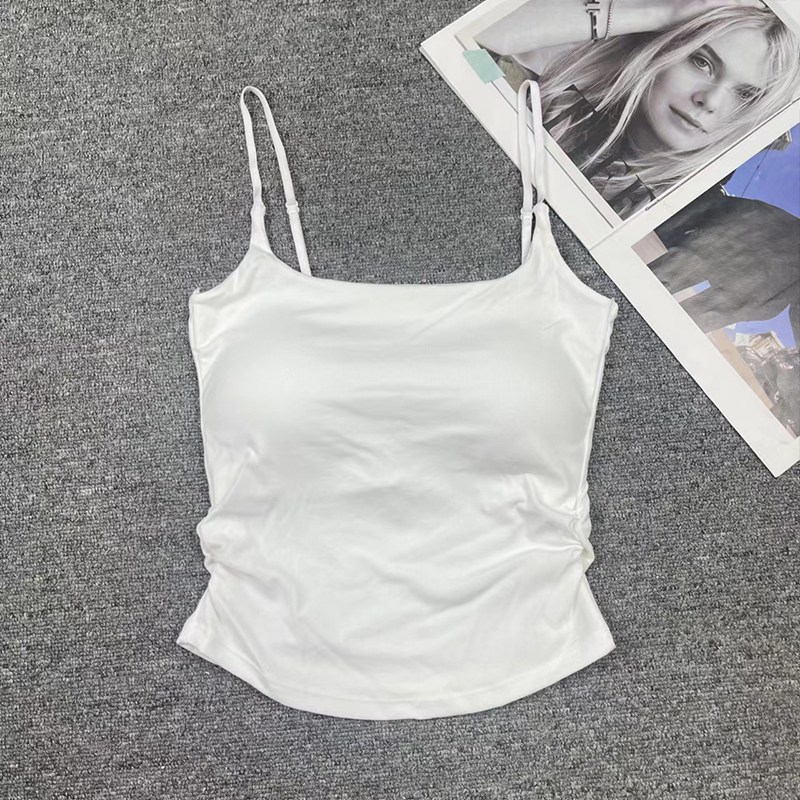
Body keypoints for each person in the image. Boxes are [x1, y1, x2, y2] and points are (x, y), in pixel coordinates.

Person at [476, 0, 800, 217]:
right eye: (701, 62)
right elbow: (472, 48)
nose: (710, 101)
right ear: (662, 49)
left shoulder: (682, 217)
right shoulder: (559, 94)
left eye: (745, 95)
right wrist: (657, 14)